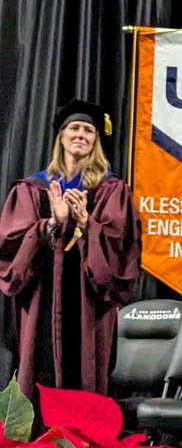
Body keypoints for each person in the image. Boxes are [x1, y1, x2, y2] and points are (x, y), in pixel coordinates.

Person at [0, 100, 141, 398]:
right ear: (61, 137)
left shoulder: (111, 190)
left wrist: (87, 223)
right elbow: (11, 246)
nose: (81, 135)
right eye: (74, 128)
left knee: (84, 377)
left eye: (88, 130)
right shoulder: (32, 189)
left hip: (88, 305)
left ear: (96, 140)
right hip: (40, 301)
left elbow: (120, 245)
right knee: (38, 375)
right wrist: (51, 223)